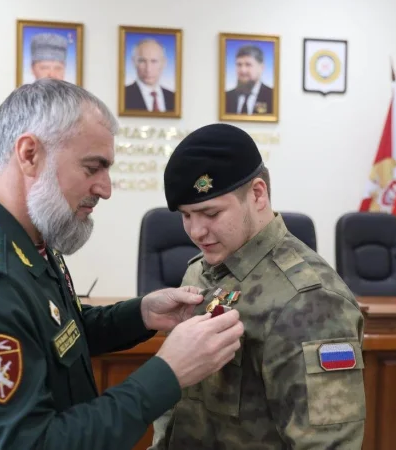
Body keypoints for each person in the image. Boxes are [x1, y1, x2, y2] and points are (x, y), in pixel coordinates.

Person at [0, 79, 244, 450]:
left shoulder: (29, 237)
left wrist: (142, 314)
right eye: (93, 168)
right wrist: (168, 373)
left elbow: (57, 333)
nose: (106, 188)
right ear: (30, 154)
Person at [149, 123, 366, 449]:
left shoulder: (311, 300)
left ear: (258, 194)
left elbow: (327, 444)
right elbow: (178, 395)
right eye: (186, 215)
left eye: (210, 213)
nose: (196, 231)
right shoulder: (200, 271)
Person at [124, 38, 175, 112]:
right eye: (142, 61)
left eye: (154, 61)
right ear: (133, 62)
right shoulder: (124, 96)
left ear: (164, 63)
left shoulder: (173, 98)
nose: (148, 69)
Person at [224, 45, 274, 115]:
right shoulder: (226, 97)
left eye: (248, 65)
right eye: (239, 65)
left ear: (261, 67)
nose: (243, 70)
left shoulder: (272, 96)